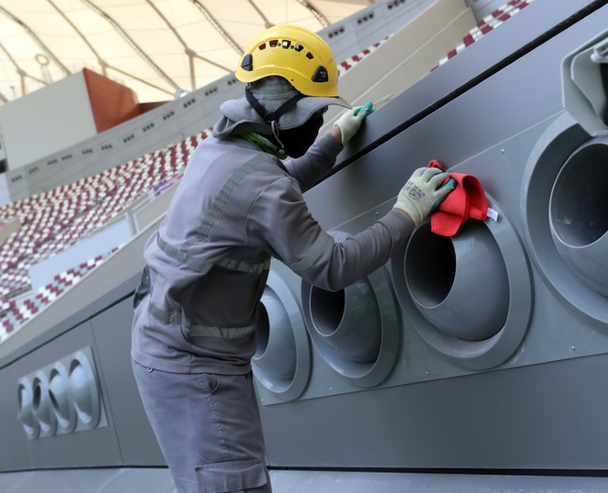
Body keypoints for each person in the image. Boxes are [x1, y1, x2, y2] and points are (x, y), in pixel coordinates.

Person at [131, 24, 455, 493]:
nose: (318, 122)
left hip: (166, 345)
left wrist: (331, 143)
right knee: (231, 484)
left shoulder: (220, 149)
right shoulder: (261, 183)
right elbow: (332, 267)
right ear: (282, 112)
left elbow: (268, 192)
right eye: (315, 113)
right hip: (195, 369)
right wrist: (407, 212)